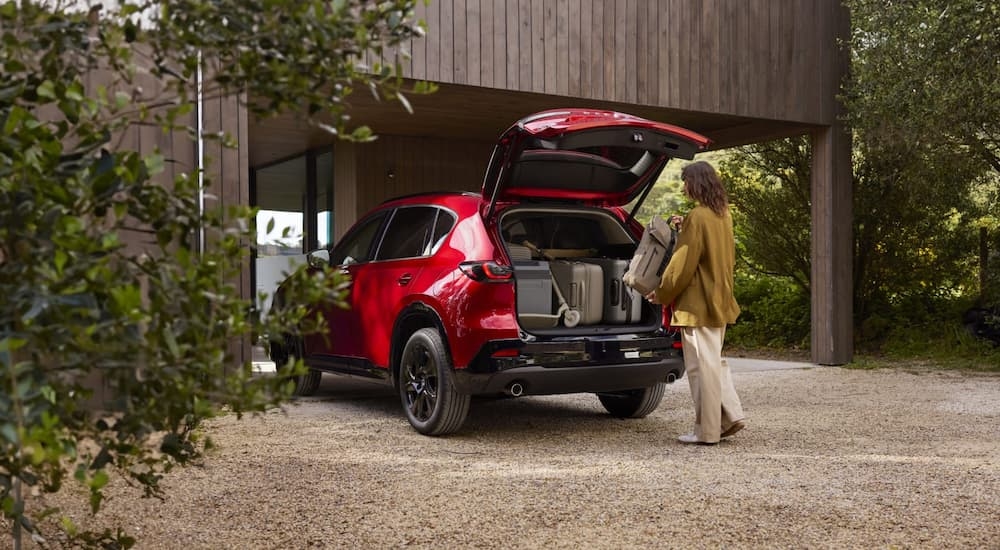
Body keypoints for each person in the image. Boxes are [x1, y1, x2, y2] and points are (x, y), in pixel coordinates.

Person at [645, 161, 745, 445]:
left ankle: (707, 432)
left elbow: (682, 265)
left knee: (702, 368)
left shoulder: (697, 216)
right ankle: (730, 417)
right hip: (720, 298)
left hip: (697, 304)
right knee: (713, 363)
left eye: (686, 181)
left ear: (696, 183)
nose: (683, 187)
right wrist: (684, 227)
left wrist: (662, 292)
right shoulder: (722, 214)